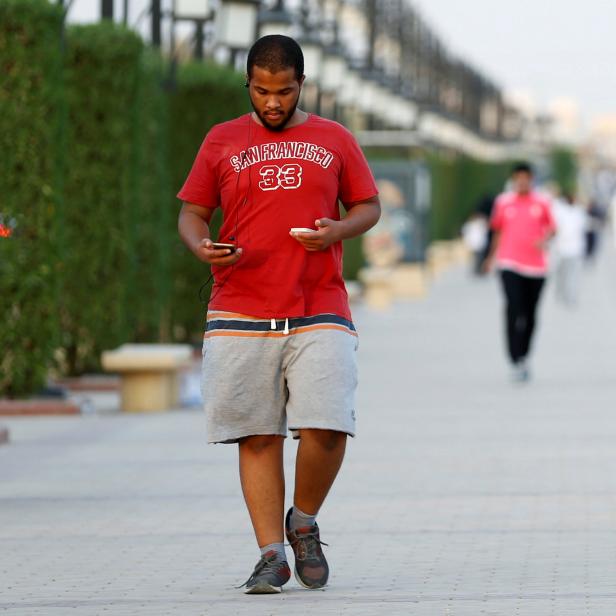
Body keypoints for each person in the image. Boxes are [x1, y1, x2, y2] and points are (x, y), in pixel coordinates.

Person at [176, 35, 380, 594]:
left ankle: (304, 520)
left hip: (320, 306)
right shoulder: (221, 140)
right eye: (262, 91)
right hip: (240, 307)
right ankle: (271, 554)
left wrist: (338, 230)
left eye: (284, 91)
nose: (272, 102)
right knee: (257, 434)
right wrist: (202, 247)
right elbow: (194, 215)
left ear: (301, 85)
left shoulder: (334, 138)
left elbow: (367, 205)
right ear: (248, 84)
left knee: (329, 425)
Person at [483, 162, 556, 381]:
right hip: (509, 263)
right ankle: (514, 357)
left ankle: (524, 355)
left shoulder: (542, 202)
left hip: (536, 267)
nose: (522, 181)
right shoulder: (504, 202)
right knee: (514, 308)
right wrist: (490, 258)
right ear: (514, 179)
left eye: (526, 177)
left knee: (530, 314)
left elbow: (552, 228)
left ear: (531, 179)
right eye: (518, 178)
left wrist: (544, 240)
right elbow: (497, 231)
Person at [552, 193, 588, 306]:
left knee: (573, 275)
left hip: (575, 249)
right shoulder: (560, 211)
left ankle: (571, 297)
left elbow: (583, 227)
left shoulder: (579, 212)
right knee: (561, 274)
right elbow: (556, 229)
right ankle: (560, 292)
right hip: (562, 249)